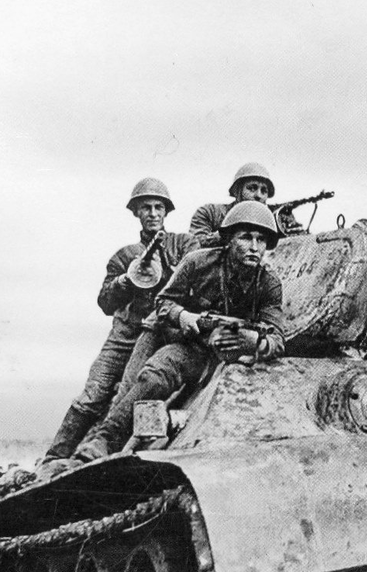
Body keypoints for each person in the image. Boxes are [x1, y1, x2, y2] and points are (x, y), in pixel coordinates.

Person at [72, 201, 286, 463]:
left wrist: (253, 341)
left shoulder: (268, 283)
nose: (254, 247)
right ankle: (105, 441)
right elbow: (163, 302)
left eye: (261, 240)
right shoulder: (197, 263)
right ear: (229, 239)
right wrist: (183, 316)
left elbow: (277, 339)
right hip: (193, 347)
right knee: (154, 374)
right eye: (246, 237)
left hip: (231, 357)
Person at [38, 178, 198, 466]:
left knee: (131, 390)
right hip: (125, 335)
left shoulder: (184, 244)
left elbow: (197, 280)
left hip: (164, 332)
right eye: (146, 207)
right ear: (136, 212)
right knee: (93, 395)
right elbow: (105, 303)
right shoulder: (123, 256)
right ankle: (54, 458)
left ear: (166, 211)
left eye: (158, 207)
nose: (152, 213)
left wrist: (168, 267)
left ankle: (107, 453)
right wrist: (126, 281)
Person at [188, 162, 276, 245]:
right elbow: (194, 244)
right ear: (237, 191)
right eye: (252, 188)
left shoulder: (272, 220)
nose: (258, 195)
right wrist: (228, 233)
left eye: (264, 191)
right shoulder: (209, 213)